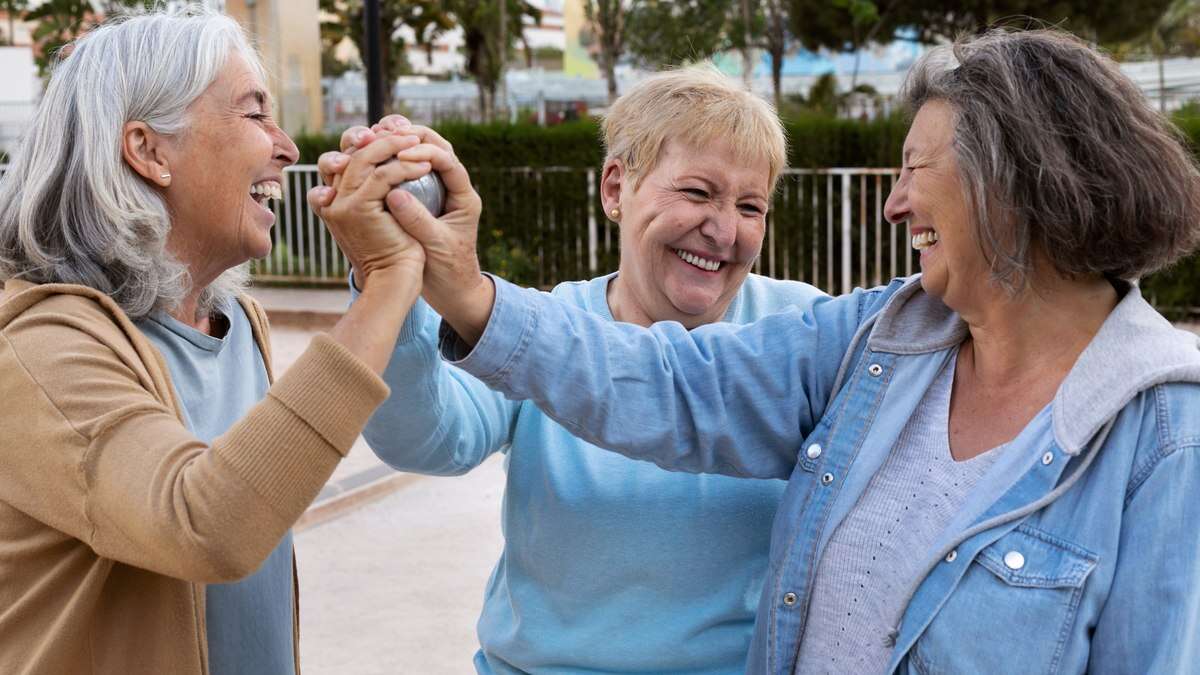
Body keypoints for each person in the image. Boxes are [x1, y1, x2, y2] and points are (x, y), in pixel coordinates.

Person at [369, 29, 1200, 673]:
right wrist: (450, 288)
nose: (894, 203)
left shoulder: (1166, 434)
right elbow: (670, 385)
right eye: (696, 191)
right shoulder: (878, 343)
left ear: (1015, 184)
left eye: (916, 168)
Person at [312, 66, 826, 673]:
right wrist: (387, 276)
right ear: (616, 187)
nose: (723, 229)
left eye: (750, 206)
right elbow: (426, 441)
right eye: (696, 192)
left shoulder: (799, 328)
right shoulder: (548, 326)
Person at [0, 8, 444, 674]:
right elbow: (207, 523)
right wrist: (386, 284)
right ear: (150, 151)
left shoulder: (236, 324)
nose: (287, 147)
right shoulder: (40, 349)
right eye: (254, 114)